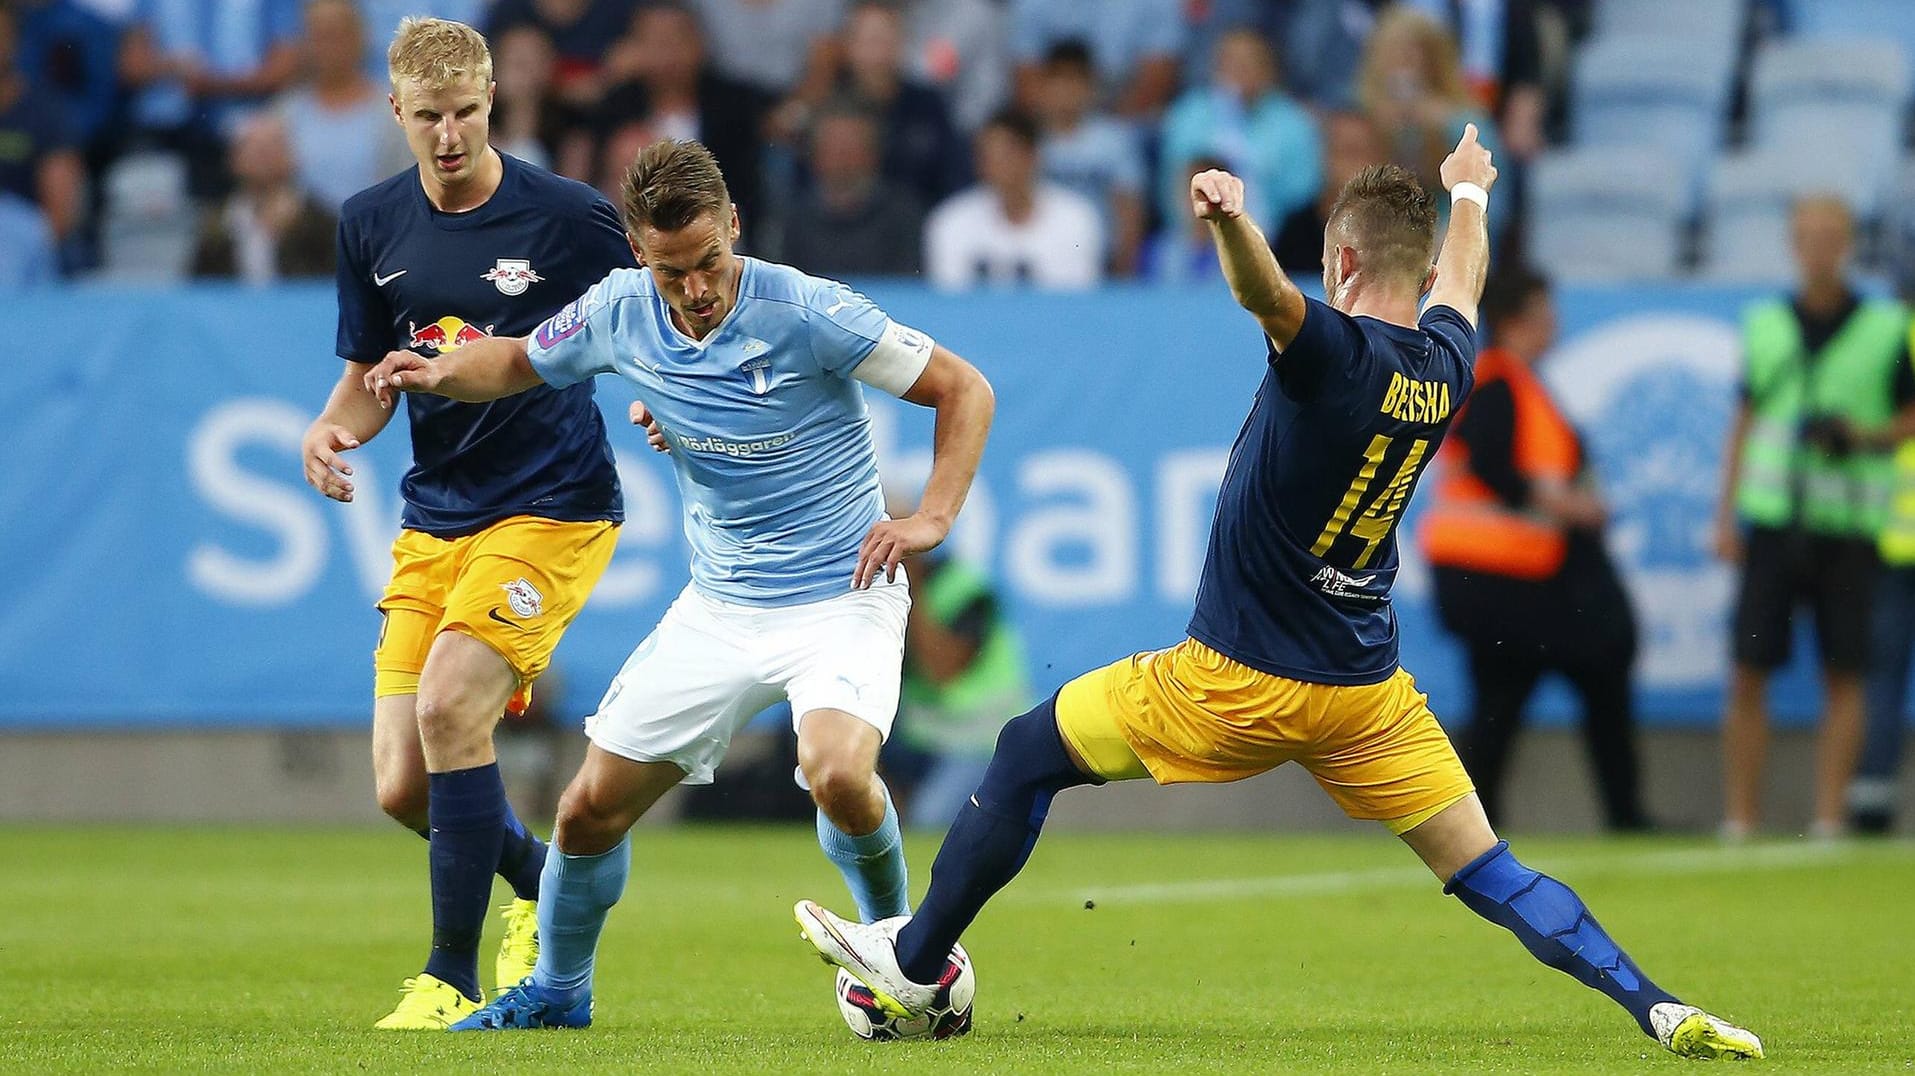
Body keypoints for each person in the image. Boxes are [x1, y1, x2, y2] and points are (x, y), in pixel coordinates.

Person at [796, 128, 1764, 1062]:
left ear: (1339, 258)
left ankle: (915, 963)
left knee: (1023, 753)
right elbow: (1463, 277)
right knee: (1490, 870)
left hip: (1233, 683)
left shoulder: (1332, 355)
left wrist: (1226, 223)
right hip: (1362, 695)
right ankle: (1658, 1005)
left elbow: (1265, 294)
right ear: (1417, 273)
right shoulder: (1444, 363)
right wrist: (1468, 188)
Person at [360, 137, 996, 1031]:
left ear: (734, 226)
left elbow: (962, 389)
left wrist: (930, 516)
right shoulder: (620, 311)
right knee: (583, 815)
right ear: (636, 253)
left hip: (839, 592)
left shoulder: (809, 311)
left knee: (837, 773)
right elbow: (513, 360)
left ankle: (902, 947)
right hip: (722, 605)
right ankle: (558, 993)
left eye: (708, 262)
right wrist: (435, 370)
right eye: (671, 272)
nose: (696, 290)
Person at [300, 17, 636, 1029]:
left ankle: (448, 972)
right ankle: (543, 882)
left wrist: (665, 396)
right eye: (429, 117)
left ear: (492, 104)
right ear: (396, 111)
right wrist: (330, 426)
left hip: (551, 507)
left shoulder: (569, 219)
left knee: (451, 707)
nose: (449, 136)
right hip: (436, 519)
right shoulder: (368, 225)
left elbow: (650, 322)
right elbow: (370, 378)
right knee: (405, 783)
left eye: (467, 113)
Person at [1419, 266, 1649, 832]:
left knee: (1504, 700)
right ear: (1518, 319)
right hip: (1498, 577)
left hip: (1501, 579)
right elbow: (1491, 463)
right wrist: (1567, 506)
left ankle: (1474, 825)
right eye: (1545, 312)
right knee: (1587, 665)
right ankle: (1619, 813)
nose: (1555, 323)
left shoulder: (1514, 382)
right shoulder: (1499, 381)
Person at [1715, 194, 1914, 840]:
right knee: (1748, 668)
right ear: (1792, 243)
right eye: (1808, 234)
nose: (1819, 245)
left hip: (1846, 522)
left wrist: (1861, 435)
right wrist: (1725, 516)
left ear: (1849, 241)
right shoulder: (1765, 323)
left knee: (1845, 671)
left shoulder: (1884, 328)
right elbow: (1743, 420)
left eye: (1831, 234)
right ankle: (1740, 816)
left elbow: (1907, 417)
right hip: (1772, 519)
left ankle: (1827, 815)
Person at [887, 546, 1032, 830]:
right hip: (920, 739)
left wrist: (911, 586)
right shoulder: (872, 592)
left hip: (980, 742)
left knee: (930, 824)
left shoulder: (964, 588)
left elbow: (942, 671)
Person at [1157, 27, 1320, 253]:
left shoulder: (1293, 122)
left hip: (1276, 242)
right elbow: (1172, 183)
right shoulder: (1189, 114)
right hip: (1193, 237)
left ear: (1269, 70)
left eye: (1249, 61)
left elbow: (1302, 196)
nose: (1240, 70)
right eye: (1231, 61)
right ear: (1215, 67)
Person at [924, 108, 1102, 291]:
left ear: (1033, 156)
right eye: (986, 156)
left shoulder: (1076, 218)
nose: (995, 165)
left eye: (1005, 154)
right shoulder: (951, 220)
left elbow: (1077, 301)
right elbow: (947, 302)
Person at [276, 0, 412, 212]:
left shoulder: (393, 112)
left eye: (336, 34)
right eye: (318, 35)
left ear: (361, 36)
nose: (327, 47)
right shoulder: (285, 113)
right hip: (305, 240)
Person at [772, 99, 924, 277]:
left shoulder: (904, 217)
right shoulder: (791, 220)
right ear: (814, 154)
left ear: (874, 154)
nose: (843, 158)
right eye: (834, 147)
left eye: (853, 147)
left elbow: (909, 289)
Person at [1033, 40, 1145, 278]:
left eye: (1074, 80)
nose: (1065, 90)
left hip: (1102, 260)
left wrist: (1124, 269)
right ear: (1043, 86)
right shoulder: (1030, 140)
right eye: (1058, 80)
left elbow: (1128, 207)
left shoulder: (1114, 141)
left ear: (1090, 87)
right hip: (1042, 259)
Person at [189, 111, 336, 281]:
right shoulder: (216, 223)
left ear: (293, 157)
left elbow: (334, 283)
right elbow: (200, 285)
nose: (263, 155)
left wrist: (294, 235)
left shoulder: (321, 221)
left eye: (273, 145)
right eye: (252, 147)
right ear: (233, 159)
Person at [1273, 110, 1385, 273]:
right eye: (1342, 151)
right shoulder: (1295, 231)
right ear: (1324, 156)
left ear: (1380, 157)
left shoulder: (1399, 234)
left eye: (1358, 151)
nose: (1350, 163)